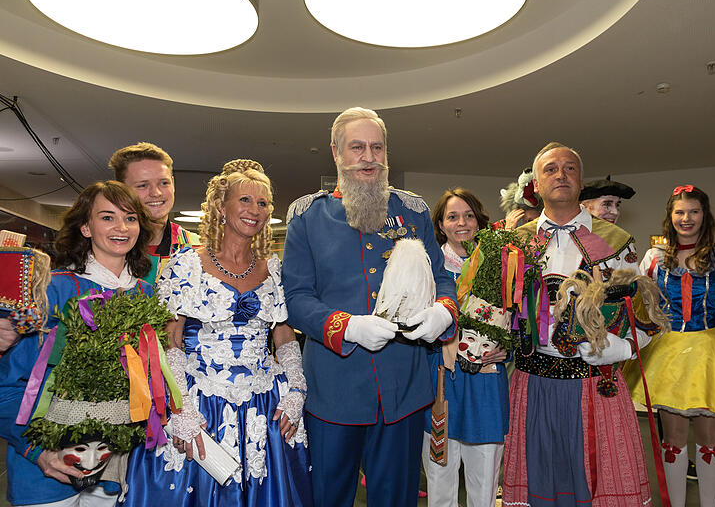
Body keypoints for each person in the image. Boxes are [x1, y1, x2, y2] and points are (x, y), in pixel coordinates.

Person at [282, 107, 458, 507]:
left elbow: (442, 278)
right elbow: (296, 298)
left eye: (377, 147)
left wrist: (443, 311)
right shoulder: (308, 217)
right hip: (334, 387)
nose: (369, 156)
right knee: (329, 496)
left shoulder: (412, 211)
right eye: (357, 147)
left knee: (397, 498)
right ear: (336, 154)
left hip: (404, 386)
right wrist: (347, 327)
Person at [122, 160, 312, 506]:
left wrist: (297, 389)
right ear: (222, 207)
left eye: (263, 203)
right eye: (245, 200)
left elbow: (284, 337)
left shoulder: (275, 270)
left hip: (265, 404)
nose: (255, 210)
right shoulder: (185, 265)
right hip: (200, 401)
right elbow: (171, 341)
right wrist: (180, 409)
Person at [501, 142, 652, 506]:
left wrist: (625, 347)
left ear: (581, 182)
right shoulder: (514, 244)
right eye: (550, 169)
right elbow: (497, 310)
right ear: (535, 185)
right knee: (540, 482)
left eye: (569, 168)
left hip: (594, 384)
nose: (561, 175)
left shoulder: (616, 242)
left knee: (595, 488)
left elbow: (646, 319)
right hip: (532, 383)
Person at [0, 181, 155, 506]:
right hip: (47, 472)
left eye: (130, 218)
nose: (121, 228)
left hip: (114, 470)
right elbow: (9, 385)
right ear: (85, 227)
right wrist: (38, 451)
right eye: (107, 217)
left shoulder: (146, 295)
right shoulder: (52, 291)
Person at [623, 186, 715, 507]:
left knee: (711, 440)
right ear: (670, 217)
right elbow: (650, 308)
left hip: (709, 353)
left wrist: (701, 343)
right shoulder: (654, 258)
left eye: (694, 211)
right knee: (672, 440)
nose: (686, 218)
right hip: (667, 357)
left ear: (705, 215)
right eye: (680, 212)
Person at [422, 188, 508, 507]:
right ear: (441, 225)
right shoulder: (427, 268)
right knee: (440, 484)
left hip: (485, 385)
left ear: (479, 221)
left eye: (469, 215)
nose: (462, 223)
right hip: (441, 385)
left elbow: (518, 321)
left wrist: (505, 349)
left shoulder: (501, 265)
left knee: (484, 485)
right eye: (453, 216)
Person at [109, 141, 199, 283]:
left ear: (173, 184)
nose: (156, 193)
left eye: (164, 183)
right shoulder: (104, 250)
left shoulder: (199, 248)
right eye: (143, 185)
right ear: (121, 190)